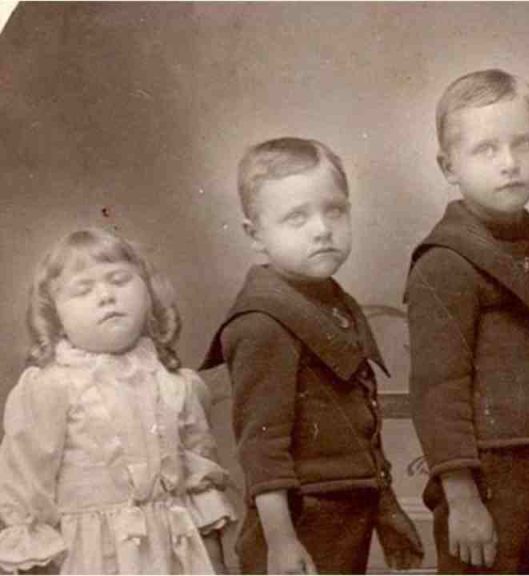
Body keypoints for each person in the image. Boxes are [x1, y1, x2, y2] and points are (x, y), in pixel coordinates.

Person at [405, 69, 529, 574]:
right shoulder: (444, 261)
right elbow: (438, 390)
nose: (509, 163)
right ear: (449, 166)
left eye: (524, 144)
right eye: (485, 149)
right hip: (486, 479)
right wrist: (462, 498)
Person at [201, 137, 421, 574]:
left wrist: (388, 511)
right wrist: (282, 542)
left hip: (347, 511)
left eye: (334, 210)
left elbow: (361, 428)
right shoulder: (262, 322)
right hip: (298, 522)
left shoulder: (332, 303)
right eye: (296, 217)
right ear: (255, 235)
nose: (322, 229)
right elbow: (262, 449)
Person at [0, 228, 235, 574]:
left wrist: (214, 564)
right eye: (83, 289)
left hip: (175, 556)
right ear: (55, 317)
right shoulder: (49, 388)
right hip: (89, 559)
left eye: (119, 280)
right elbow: (26, 491)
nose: (106, 296)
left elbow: (199, 484)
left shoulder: (174, 384)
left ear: (148, 294)